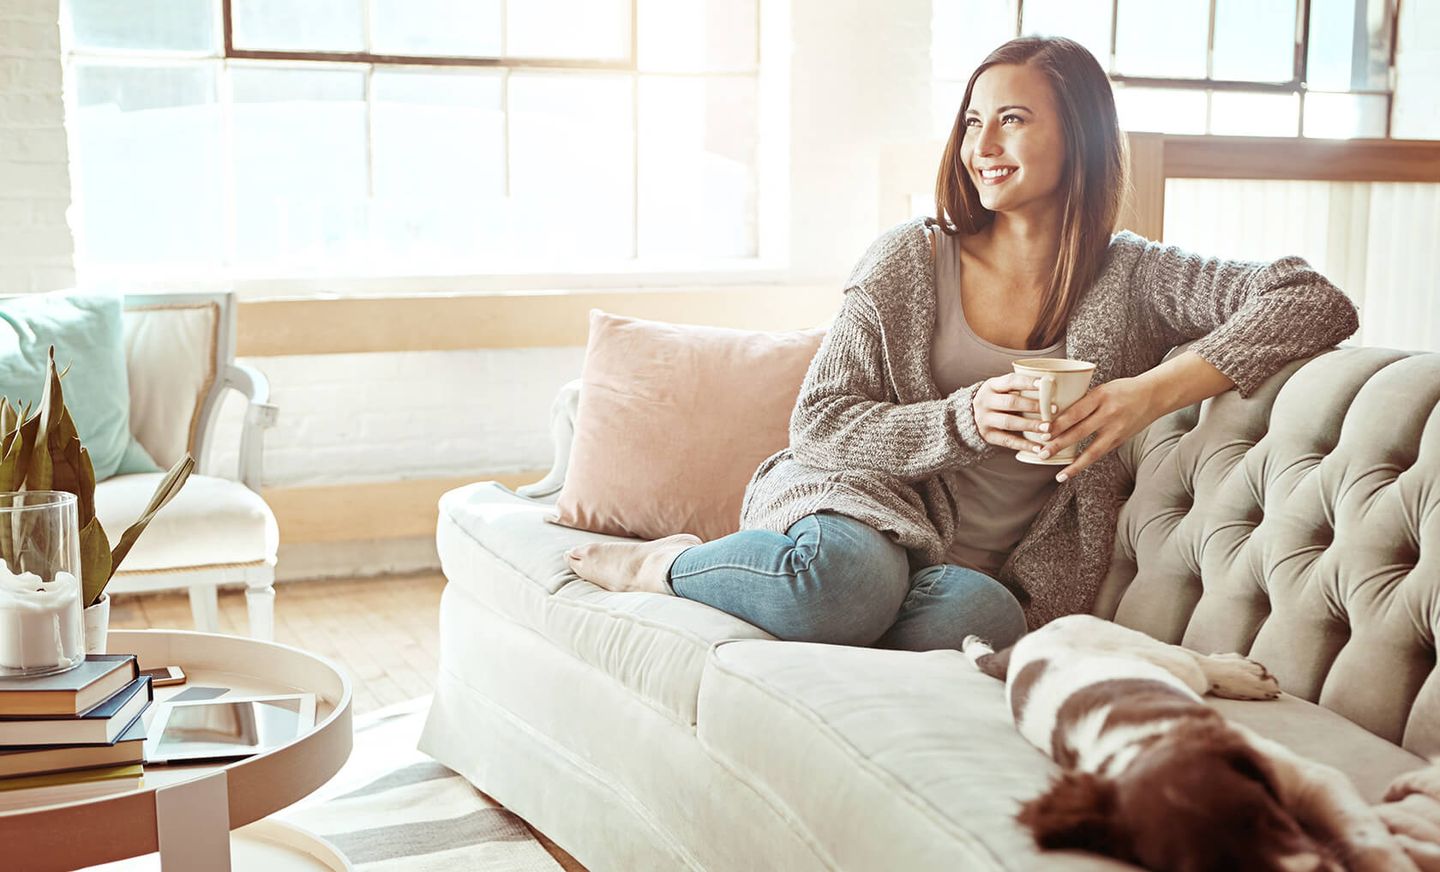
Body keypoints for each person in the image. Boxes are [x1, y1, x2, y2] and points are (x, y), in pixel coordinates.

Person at [564, 36, 1359, 652]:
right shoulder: (911, 257)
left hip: (963, 572)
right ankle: (658, 566)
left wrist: (1142, 395)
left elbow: (1310, 299)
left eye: (1013, 118)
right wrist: (966, 416)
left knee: (984, 622)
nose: (983, 143)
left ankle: (804, 609)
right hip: (861, 508)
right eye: (974, 120)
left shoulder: (1135, 274)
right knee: (844, 582)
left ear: (1077, 134)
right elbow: (820, 425)